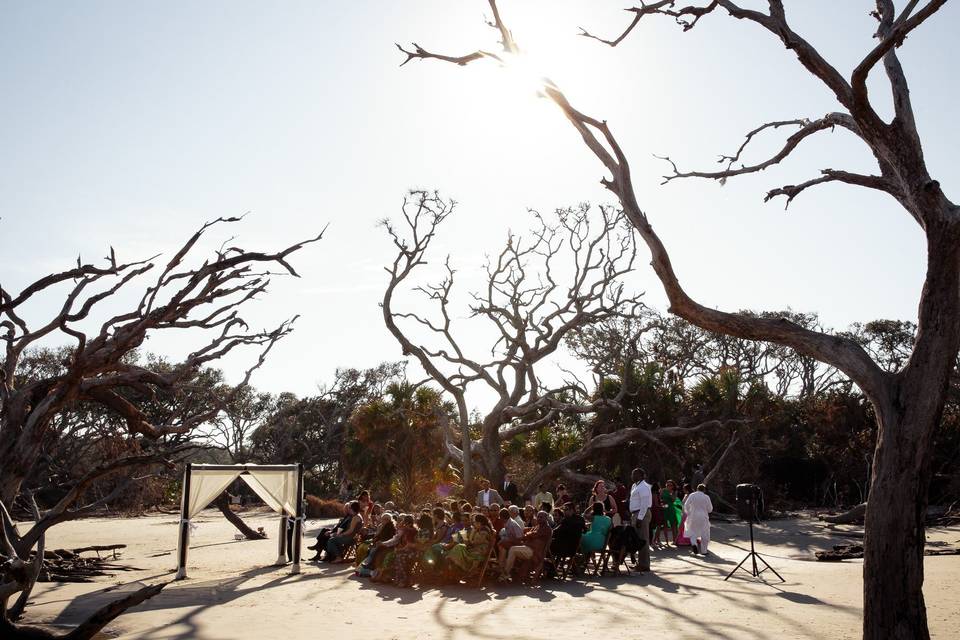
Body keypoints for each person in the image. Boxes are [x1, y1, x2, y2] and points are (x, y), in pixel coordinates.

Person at [500, 511, 551, 583]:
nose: (539, 518)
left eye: (541, 517)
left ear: (546, 518)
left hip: (534, 552)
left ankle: (506, 573)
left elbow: (531, 535)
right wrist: (528, 534)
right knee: (505, 545)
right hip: (528, 548)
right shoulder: (537, 526)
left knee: (513, 549)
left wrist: (528, 534)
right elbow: (528, 533)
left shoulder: (547, 528)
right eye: (538, 517)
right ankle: (503, 569)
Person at [629, 468, 653, 572]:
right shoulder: (635, 485)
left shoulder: (644, 486)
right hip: (635, 513)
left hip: (641, 514)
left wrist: (639, 518)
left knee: (643, 540)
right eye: (632, 473)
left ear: (641, 475)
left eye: (635, 474)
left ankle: (644, 565)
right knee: (637, 539)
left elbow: (644, 504)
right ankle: (640, 563)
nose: (632, 476)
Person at [683, 484, 714, 554]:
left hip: (693, 516)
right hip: (703, 517)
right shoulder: (706, 497)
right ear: (704, 490)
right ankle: (704, 551)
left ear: (697, 489)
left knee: (692, 532)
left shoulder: (692, 495)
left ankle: (694, 544)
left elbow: (686, 505)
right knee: (704, 533)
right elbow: (710, 509)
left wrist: (688, 512)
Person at [661, 480, 682, 544]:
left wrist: (670, 493)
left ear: (673, 486)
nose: (669, 486)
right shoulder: (663, 491)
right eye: (667, 485)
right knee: (665, 525)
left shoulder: (674, 492)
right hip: (664, 508)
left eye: (670, 485)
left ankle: (674, 540)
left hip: (671, 508)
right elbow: (660, 498)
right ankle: (666, 541)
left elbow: (673, 500)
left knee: (673, 525)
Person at [649, 482, 666, 547]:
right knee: (657, 526)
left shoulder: (652, 494)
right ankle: (654, 541)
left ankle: (656, 541)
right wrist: (663, 506)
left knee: (656, 527)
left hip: (653, 511)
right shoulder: (655, 494)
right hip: (656, 511)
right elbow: (656, 504)